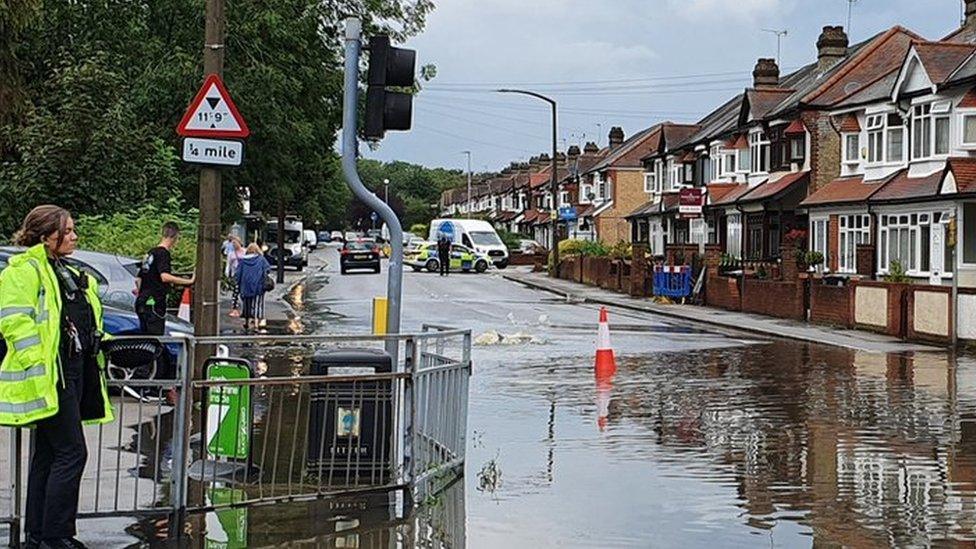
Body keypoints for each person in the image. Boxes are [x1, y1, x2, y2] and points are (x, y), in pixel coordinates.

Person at [0, 205, 114, 548]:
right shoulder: (27, 269)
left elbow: (82, 322)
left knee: (49, 456)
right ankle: (56, 535)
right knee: (72, 453)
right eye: (68, 231)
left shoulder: (69, 272)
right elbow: (15, 321)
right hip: (51, 376)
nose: (75, 236)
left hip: (73, 373)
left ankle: (38, 534)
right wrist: (39, 361)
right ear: (47, 234)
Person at [135, 222, 194, 336]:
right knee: (156, 339)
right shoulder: (163, 253)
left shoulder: (150, 253)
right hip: (154, 303)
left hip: (142, 301)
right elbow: (165, 277)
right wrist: (189, 281)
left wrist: (143, 292)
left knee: (145, 337)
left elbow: (138, 279)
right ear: (175, 237)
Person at [236, 243, 272, 333]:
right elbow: (268, 269)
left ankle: (247, 322)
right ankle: (256, 324)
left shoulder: (242, 261)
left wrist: (238, 284)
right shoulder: (261, 259)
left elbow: (238, 274)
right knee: (257, 304)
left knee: (246, 304)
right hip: (258, 285)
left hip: (245, 286)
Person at [226, 236, 245, 318]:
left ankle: (245, 309)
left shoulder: (245, 251)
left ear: (239, 242)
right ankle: (235, 309)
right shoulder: (231, 254)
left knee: (244, 292)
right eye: (232, 243)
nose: (234, 245)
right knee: (235, 292)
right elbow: (228, 264)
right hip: (235, 274)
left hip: (244, 274)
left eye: (235, 243)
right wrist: (227, 273)